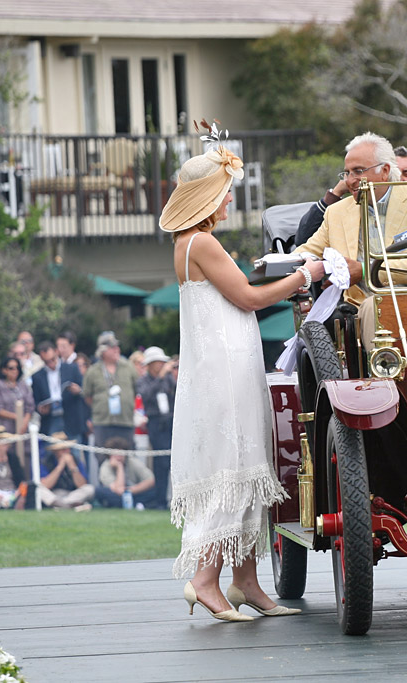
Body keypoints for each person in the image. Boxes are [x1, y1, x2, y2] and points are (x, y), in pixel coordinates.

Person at [159, 138, 309, 621]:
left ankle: (246, 580)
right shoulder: (201, 242)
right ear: (205, 198)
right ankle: (205, 579)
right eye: (224, 193)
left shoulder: (188, 243)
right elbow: (248, 298)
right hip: (224, 367)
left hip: (221, 362)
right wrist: (306, 276)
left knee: (247, 465)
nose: (228, 201)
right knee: (234, 465)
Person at [294, 132, 407, 347]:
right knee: (370, 307)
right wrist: (277, 268)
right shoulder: (337, 212)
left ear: (384, 171)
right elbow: (306, 251)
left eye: (358, 171)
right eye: (346, 173)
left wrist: (365, 271)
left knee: (375, 306)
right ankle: (381, 375)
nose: (350, 180)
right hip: (360, 307)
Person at [295, 143, 407, 247]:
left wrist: (363, 270)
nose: (398, 177)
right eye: (395, 172)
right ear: (384, 173)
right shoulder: (345, 211)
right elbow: (303, 242)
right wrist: (335, 194)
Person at [82, 331, 137, 450]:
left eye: (117, 346)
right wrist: (101, 407)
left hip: (125, 421)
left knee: (127, 457)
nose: (117, 349)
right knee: (103, 457)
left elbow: (135, 390)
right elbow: (87, 396)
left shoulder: (128, 367)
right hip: (102, 422)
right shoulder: (92, 371)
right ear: (102, 351)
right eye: (112, 347)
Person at [137, 346, 175, 510]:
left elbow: (175, 393)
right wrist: (159, 378)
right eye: (158, 363)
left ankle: (172, 498)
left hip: (170, 421)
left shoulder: (167, 379)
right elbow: (146, 396)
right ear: (151, 364)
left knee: (172, 461)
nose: (161, 365)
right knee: (161, 463)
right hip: (155, 423)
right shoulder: (143, 381)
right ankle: (160, 499)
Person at [31, 340, 86, 438]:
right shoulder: (37, 376)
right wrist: (41, 408)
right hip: (51, 419)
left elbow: (85, 390)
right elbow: (36, 401)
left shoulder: (71, 369)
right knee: (52, 450)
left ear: (56, 352)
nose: (51, 364)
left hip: (71, 417)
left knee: (75, 451)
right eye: (46, 362)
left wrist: (78, 390)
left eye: (52, 359)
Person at [94, 436, 158, 509]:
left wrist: (132, 490)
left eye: (121, 454)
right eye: (115, 454)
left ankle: (136, 504)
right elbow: (119, 489)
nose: (119, 457)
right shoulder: (105, 467)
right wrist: (119, 467)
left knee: (153, 491)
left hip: (133, 491)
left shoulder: (132, 461)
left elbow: (151, 480)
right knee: (100, 491)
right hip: (116, 494)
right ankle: (137, 504)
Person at [37, 432, 94, 510]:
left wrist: (73, 467)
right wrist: (59, 467)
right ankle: (68, 506)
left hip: (72, 494)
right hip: (55, 494)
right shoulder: (46, 462)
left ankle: (61, 505)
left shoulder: (76, 461)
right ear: (55, 451)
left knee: (89, 489)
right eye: (63, 449)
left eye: (68, 448)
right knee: (39, 489)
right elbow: (46, 485)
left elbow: (82, 485)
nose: (67, 451)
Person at [0, 355, 34, 437]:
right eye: (11, 368)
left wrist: (25, 421)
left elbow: (30, 406)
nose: (15, 370)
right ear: (4, 370)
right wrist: (17, 417)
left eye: (17, 368)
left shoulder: (23, 385)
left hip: (23, 429)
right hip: (4, 429)